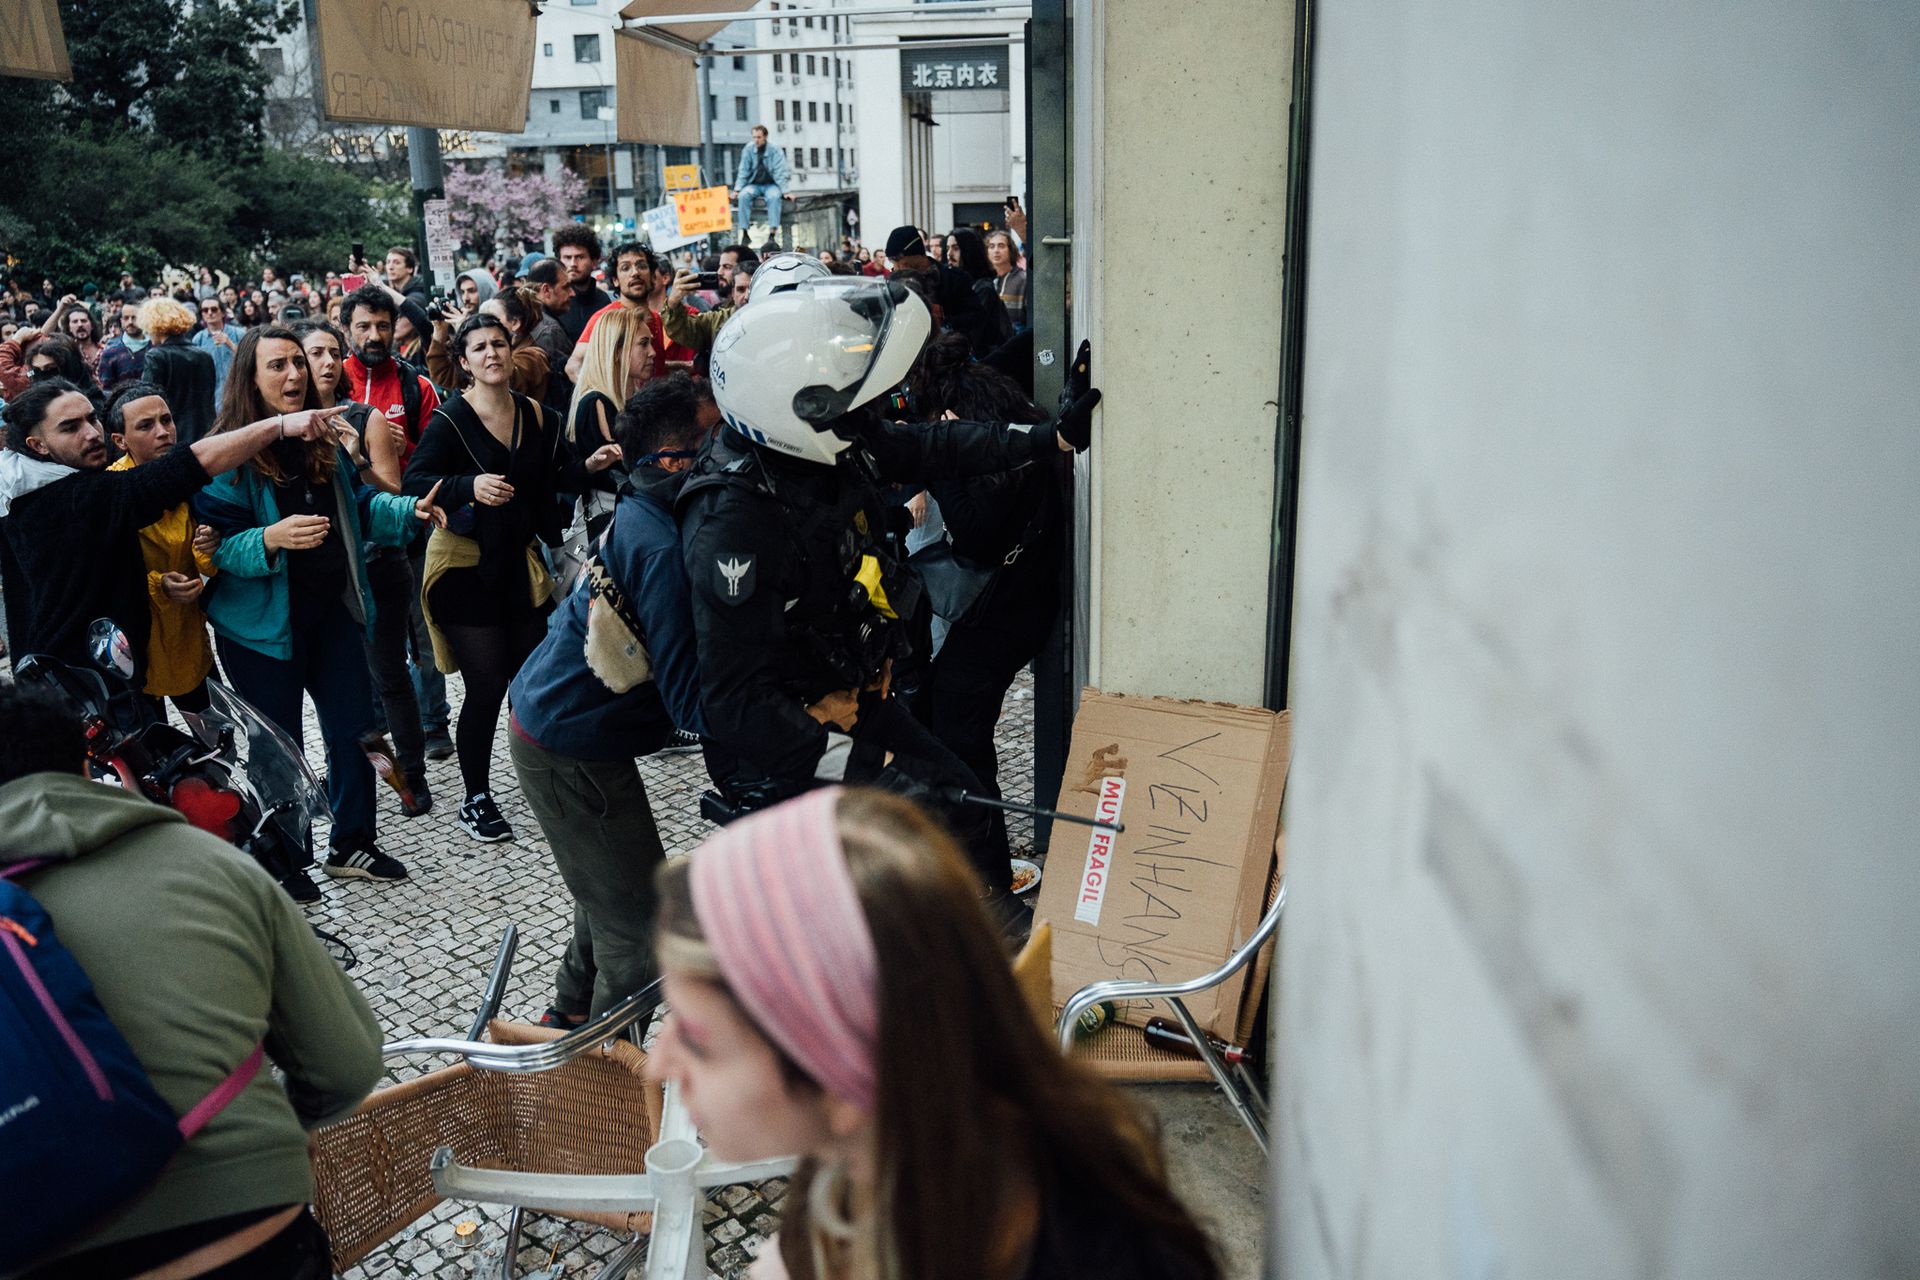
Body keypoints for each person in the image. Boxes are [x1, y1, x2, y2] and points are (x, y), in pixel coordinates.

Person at [646, 788, 1224, 1280]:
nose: (657, 1064)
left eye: (697, 1038)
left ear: (843, 1080)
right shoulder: (853, 1171)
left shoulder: (1103, 1257)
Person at [678, 278, 1099, 932]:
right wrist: (869, 769)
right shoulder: (734, 526)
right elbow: (736, 706)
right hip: (787, 742)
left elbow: (932, 446)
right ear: (792, 407)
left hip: (852, 691)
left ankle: (991, 930)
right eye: (844, 402)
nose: (864, 415)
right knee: (876, 880)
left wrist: (1050, 438)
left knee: (960, 802)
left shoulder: (825, 440)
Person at [0, 686, 384, 1280]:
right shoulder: (205, 861)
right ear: (85, 767)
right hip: (255, 1235)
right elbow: (347, 1065)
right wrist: (273, 1138)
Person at [192, 326, 441, 894]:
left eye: (297, 363)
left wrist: (410, 511)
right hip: (260, 630)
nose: (295, 374)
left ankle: (353, 841)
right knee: (278, 749)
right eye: (278, 365)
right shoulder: (229, 453)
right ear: (249, 380)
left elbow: (360, 506)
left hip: (332, 613)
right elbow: (213, 549)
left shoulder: (322, 436)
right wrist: (270, 538)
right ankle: (286, 858)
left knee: (360, 732)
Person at [508, 374, 712, 1024]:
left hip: (554, 719)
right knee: (641, 935)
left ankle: (566, 1019)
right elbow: (688, 704)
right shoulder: (662, 549)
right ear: (674, 461)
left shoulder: (642, 503)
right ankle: (603, 1071)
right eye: (716, 441)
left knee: (610, 890)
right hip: (565, 742)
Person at [403, 313, 621, 842]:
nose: (491, 354)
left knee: (533, 681)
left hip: (519, 565)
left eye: (498, 344)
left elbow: (557, 477)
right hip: (463, 565)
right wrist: (467, 486)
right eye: (479, 348)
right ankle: (475, 797)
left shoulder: (537, 415)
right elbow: (416, 481)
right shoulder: (451, 419)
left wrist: (591, 465)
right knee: (487, 686)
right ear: (463, 362)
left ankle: (549, 779)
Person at [0, 372, 343, 691]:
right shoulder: (71, 498)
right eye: (70, 428)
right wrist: (278, 425)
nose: (91, 433)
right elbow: (187, 466)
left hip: (101, 668)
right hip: (80, 685)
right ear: (38, 445)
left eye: (92, 419)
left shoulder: (22, 491)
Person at [906, 334, 1068, 859]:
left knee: (958, 737)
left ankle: (987, 871)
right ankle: (961, 854)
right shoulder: (998, 406)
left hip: (1008, 610)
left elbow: (979, 537)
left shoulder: (990, 456)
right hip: (1010, 603)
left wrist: (942, 461)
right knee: (932, 718)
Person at [295, 318, 434, 819]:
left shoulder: (364, 417)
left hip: (377, 566)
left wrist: (355, 457)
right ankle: (347, 775)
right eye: (315, 354)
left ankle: (411, 776)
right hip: (320, 574)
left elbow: (391, 493)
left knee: (389, 675)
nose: (326, 363)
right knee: (337, 686)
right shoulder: (284, 427)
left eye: (334, 353)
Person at [339, 282, 453, 761]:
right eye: (363, 326)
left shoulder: (416, 385)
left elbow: (440, 457)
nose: (374, 335)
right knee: (366, 634)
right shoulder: (330, 384)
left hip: (413, 526)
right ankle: (382, 718)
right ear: (346, 329)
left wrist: (407, 451)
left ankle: (434, 721)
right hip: (355, 531)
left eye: (382, 326)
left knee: (424, 629)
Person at [104, 382, 221, 717]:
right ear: (120, 440)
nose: (163, 432)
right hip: (135, 646)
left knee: (215, 732)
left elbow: (208, 562)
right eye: (146, 425)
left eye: (166, 420)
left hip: (186, 639)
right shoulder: (109, 492)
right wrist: (158, 584)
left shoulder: (193, 479)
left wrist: (208, 547)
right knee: (152, 741)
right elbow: (104, 576)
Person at [563, 241, 670, 385]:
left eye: (642, 266)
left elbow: (652, 367)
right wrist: (604, 393)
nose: (635, 273)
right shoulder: (607, 318)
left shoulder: (656, 318)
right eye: (626, 268)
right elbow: (573, 366)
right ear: (615, 280)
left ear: (652, 277)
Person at [425, 285, 551, 403]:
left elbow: (504, 379)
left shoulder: (534, 357)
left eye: (493, 320)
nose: (485, 325)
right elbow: (443, 375)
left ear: (515, 323)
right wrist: (440, 333)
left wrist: (468, 334)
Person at [140, 297, 220, 445]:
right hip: (207, 435)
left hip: (173, 437)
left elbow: (148, 402)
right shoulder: (204, 355)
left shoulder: (156, 356)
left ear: (155, 325)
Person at [521, 257, 578, 414]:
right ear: (546, 290)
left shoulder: (526, 317)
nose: (572, 293)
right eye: (566, 287)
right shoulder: (548, 331)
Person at [551, 224, 613, 346]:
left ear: (594, 261)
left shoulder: (605, 301)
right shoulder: (554, 304)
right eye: (567, 257)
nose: (573, 263)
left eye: (580, 257)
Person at [734, 124, 791, 240]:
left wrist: (785, 191)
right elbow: (743, 170)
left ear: (765, 137)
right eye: (754, 137)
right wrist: (737, 189)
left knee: (774, 197)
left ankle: (772, 232)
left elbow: (780, 171)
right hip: (754, 184)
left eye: (759, 137)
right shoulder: (748, 149)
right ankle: (744, 231)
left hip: (771, 185)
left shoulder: (775, 150)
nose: (756, 140)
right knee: (743, 196)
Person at [192, 295, 249, 403]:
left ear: (222, 313)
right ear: (202, 314)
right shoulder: (198, 339)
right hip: (211, 394)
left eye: (214, 309)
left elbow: (249, 359)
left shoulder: (238, 333)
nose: (209, 313)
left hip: (237, 391)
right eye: (205, 310)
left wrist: (230, 344)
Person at [98, 298, 153, 391]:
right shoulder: (110, 352)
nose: (130, 322)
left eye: (134, 318)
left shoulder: (155, 348)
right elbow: (106, 390)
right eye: (126, 318)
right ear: (121, 320)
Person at [47, 295, 103, 373]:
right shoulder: (65, 351)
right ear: (69, 328)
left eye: (83, 321)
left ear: (92, 325)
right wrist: (60, 309)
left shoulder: (105, 348)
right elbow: (43, 336)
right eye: (75, 322)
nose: (80, 325)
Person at [986, 230, 1027, 331]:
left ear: (1011, 250)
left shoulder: (1023, 279)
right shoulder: (986, 280)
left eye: (1001, 246)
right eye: (991, 246)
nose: (996, 250)